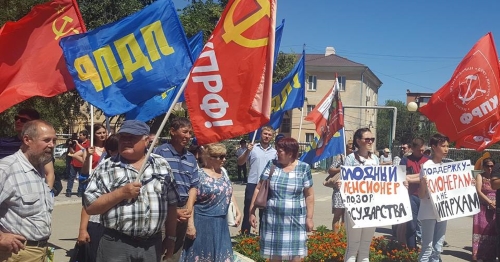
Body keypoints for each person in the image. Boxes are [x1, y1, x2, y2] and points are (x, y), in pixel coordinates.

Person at [83, 120, 179, 262]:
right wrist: (120, 193)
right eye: (123, 137)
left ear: (146, 141)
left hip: (152, 245)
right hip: (117, 244)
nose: (126, 141)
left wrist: (170, 237)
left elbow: (172, 204)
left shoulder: (162, 165)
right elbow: (90, 206)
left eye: (132, 137)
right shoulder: (106, 167)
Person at [249, 137, 314, 261]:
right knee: (275, 257)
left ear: (290, 153)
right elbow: (258, 188)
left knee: (295, 257)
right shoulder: (272, 165)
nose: (277, 153)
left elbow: (309, 195)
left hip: (296, 221)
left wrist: (309, 218)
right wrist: (251, 212)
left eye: (280, 151)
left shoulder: (304, 168)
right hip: (273, 220)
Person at [0, 120, 57, 261]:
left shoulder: (40, 167)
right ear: (27, 140)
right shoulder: (6, 169)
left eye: (54, 140)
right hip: (17, 253)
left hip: (43, 250)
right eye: (46, 140)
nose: (52, 145)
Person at [180, 143, 241, 261]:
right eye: (220, 156)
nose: (224, 159)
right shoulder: (199, 175)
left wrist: (238, 211)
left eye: (225, 156)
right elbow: (191, 202)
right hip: (203, 223)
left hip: (221, 224)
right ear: (210, 157)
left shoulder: (223, 172)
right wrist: (190, 225)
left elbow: (229, 191)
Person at [153, 117, 200, 262]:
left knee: (174, 253)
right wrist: (173, 211)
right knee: (159, 250)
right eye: (184, 132)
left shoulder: (190, 158)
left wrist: (188, 209)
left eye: (190, 133)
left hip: (183, 211)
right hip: (163, 210)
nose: (188, 136)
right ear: (172, 131)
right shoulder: (159, 153)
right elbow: (155, 185)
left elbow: (194, 186)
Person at [76, 128, 114, 262]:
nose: (102, 135)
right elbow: (84, 172)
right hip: (93, 185)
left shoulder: (112, 146)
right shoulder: (90, 149)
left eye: (104, 132)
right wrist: (87, 156)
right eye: (99, 133)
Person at [343, 128, 380, 262]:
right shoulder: (351, 159)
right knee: (352, 247)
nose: (370, 142)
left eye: (372, 139)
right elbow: (346, 180)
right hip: (355, 206)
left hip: (372, 206)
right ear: (358, 141)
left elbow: (381, 181)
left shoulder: (375, 158)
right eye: (367, 139)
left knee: (365, 247)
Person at [0, 108, 55, 191]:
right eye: (16, 118)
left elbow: (49, 173)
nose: (18, 121)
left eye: (23, 120)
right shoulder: (4, 143)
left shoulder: (40, 148)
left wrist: (48, 195)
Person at [237, 125, 277, 235]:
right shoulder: (252, 148)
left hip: (266, 185)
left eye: (269, 135)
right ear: (261, 134)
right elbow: (240, 162)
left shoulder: (274, 153)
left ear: (272, 137)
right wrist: (247, 152)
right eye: (265, 134)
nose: (267, 136)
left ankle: (262, 236)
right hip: (252, 183)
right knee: (248, 210)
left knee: (264, 212)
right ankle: (245, 235)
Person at [418, 133, 450, 262]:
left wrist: (467, 184)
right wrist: (423, 183)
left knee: (438, 248)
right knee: (427, 247)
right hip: (428, 213)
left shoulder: (446, 167)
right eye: (443, 146)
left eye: (447, 146)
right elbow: (421, 194)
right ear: (434, 147)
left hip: (443, 212)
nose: (446, 149)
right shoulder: (427, 166)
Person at [400, 138, 429, 249]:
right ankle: (411, 249)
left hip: (426, 196)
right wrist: (420, 178)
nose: (421, 152)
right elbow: (401, 177)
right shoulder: (405, 161)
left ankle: (425, 248)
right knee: (411, 225)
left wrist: (411, 179)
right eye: (419, 150)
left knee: (425, 225)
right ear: (412, 149)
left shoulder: (428, 161)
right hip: (411, 196)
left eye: (423, 150)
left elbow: (429, 178)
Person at [324, 139, 353, 233]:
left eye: (354, 148)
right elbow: (330, 169)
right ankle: (335, 237)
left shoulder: (355, 159)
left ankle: (343, 236)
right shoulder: (341, 157)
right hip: (339, 189)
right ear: (346, 148)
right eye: (350, 148)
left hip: (351, 190)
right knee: (338, 213)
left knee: (347, 215)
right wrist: (341, 169)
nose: (352, 150)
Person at [472, 158, 497, 262]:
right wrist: (489, 201)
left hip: (495, 208)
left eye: (492, 166)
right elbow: (478, 191)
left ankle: (490, 255)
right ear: (483, 167)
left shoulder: (496, 177)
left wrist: (495, 203)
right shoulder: (480, 176)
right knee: (481, 231)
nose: (490, 168)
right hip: (482, 207)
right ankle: (479, 255)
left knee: (492, 231)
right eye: (487, 166)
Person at [66, 129, 90, 197]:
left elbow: (85, 150)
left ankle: (80, 191)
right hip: (74, 162)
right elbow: (70, 148)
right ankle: (68, 191)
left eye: (81, 135)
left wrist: (77, 144)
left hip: (82, 163)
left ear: (85, 136)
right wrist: (70, 145)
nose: (79, 136)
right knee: (71, 177)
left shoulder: (88, 143)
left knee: (81, 178)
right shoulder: (76, 142)